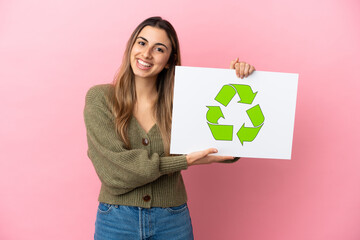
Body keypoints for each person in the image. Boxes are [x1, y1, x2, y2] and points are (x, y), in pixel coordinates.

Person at [84, 16, 255, 240]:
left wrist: (238, 83)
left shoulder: (183, 104)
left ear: (168, 60)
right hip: (116, 220)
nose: (146, 54)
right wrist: (184, 161)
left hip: (172, 220)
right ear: (131, 47)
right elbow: (115, 173)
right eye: (142, 43)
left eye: (158, 48)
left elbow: (228, 151)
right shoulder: (101, 98)